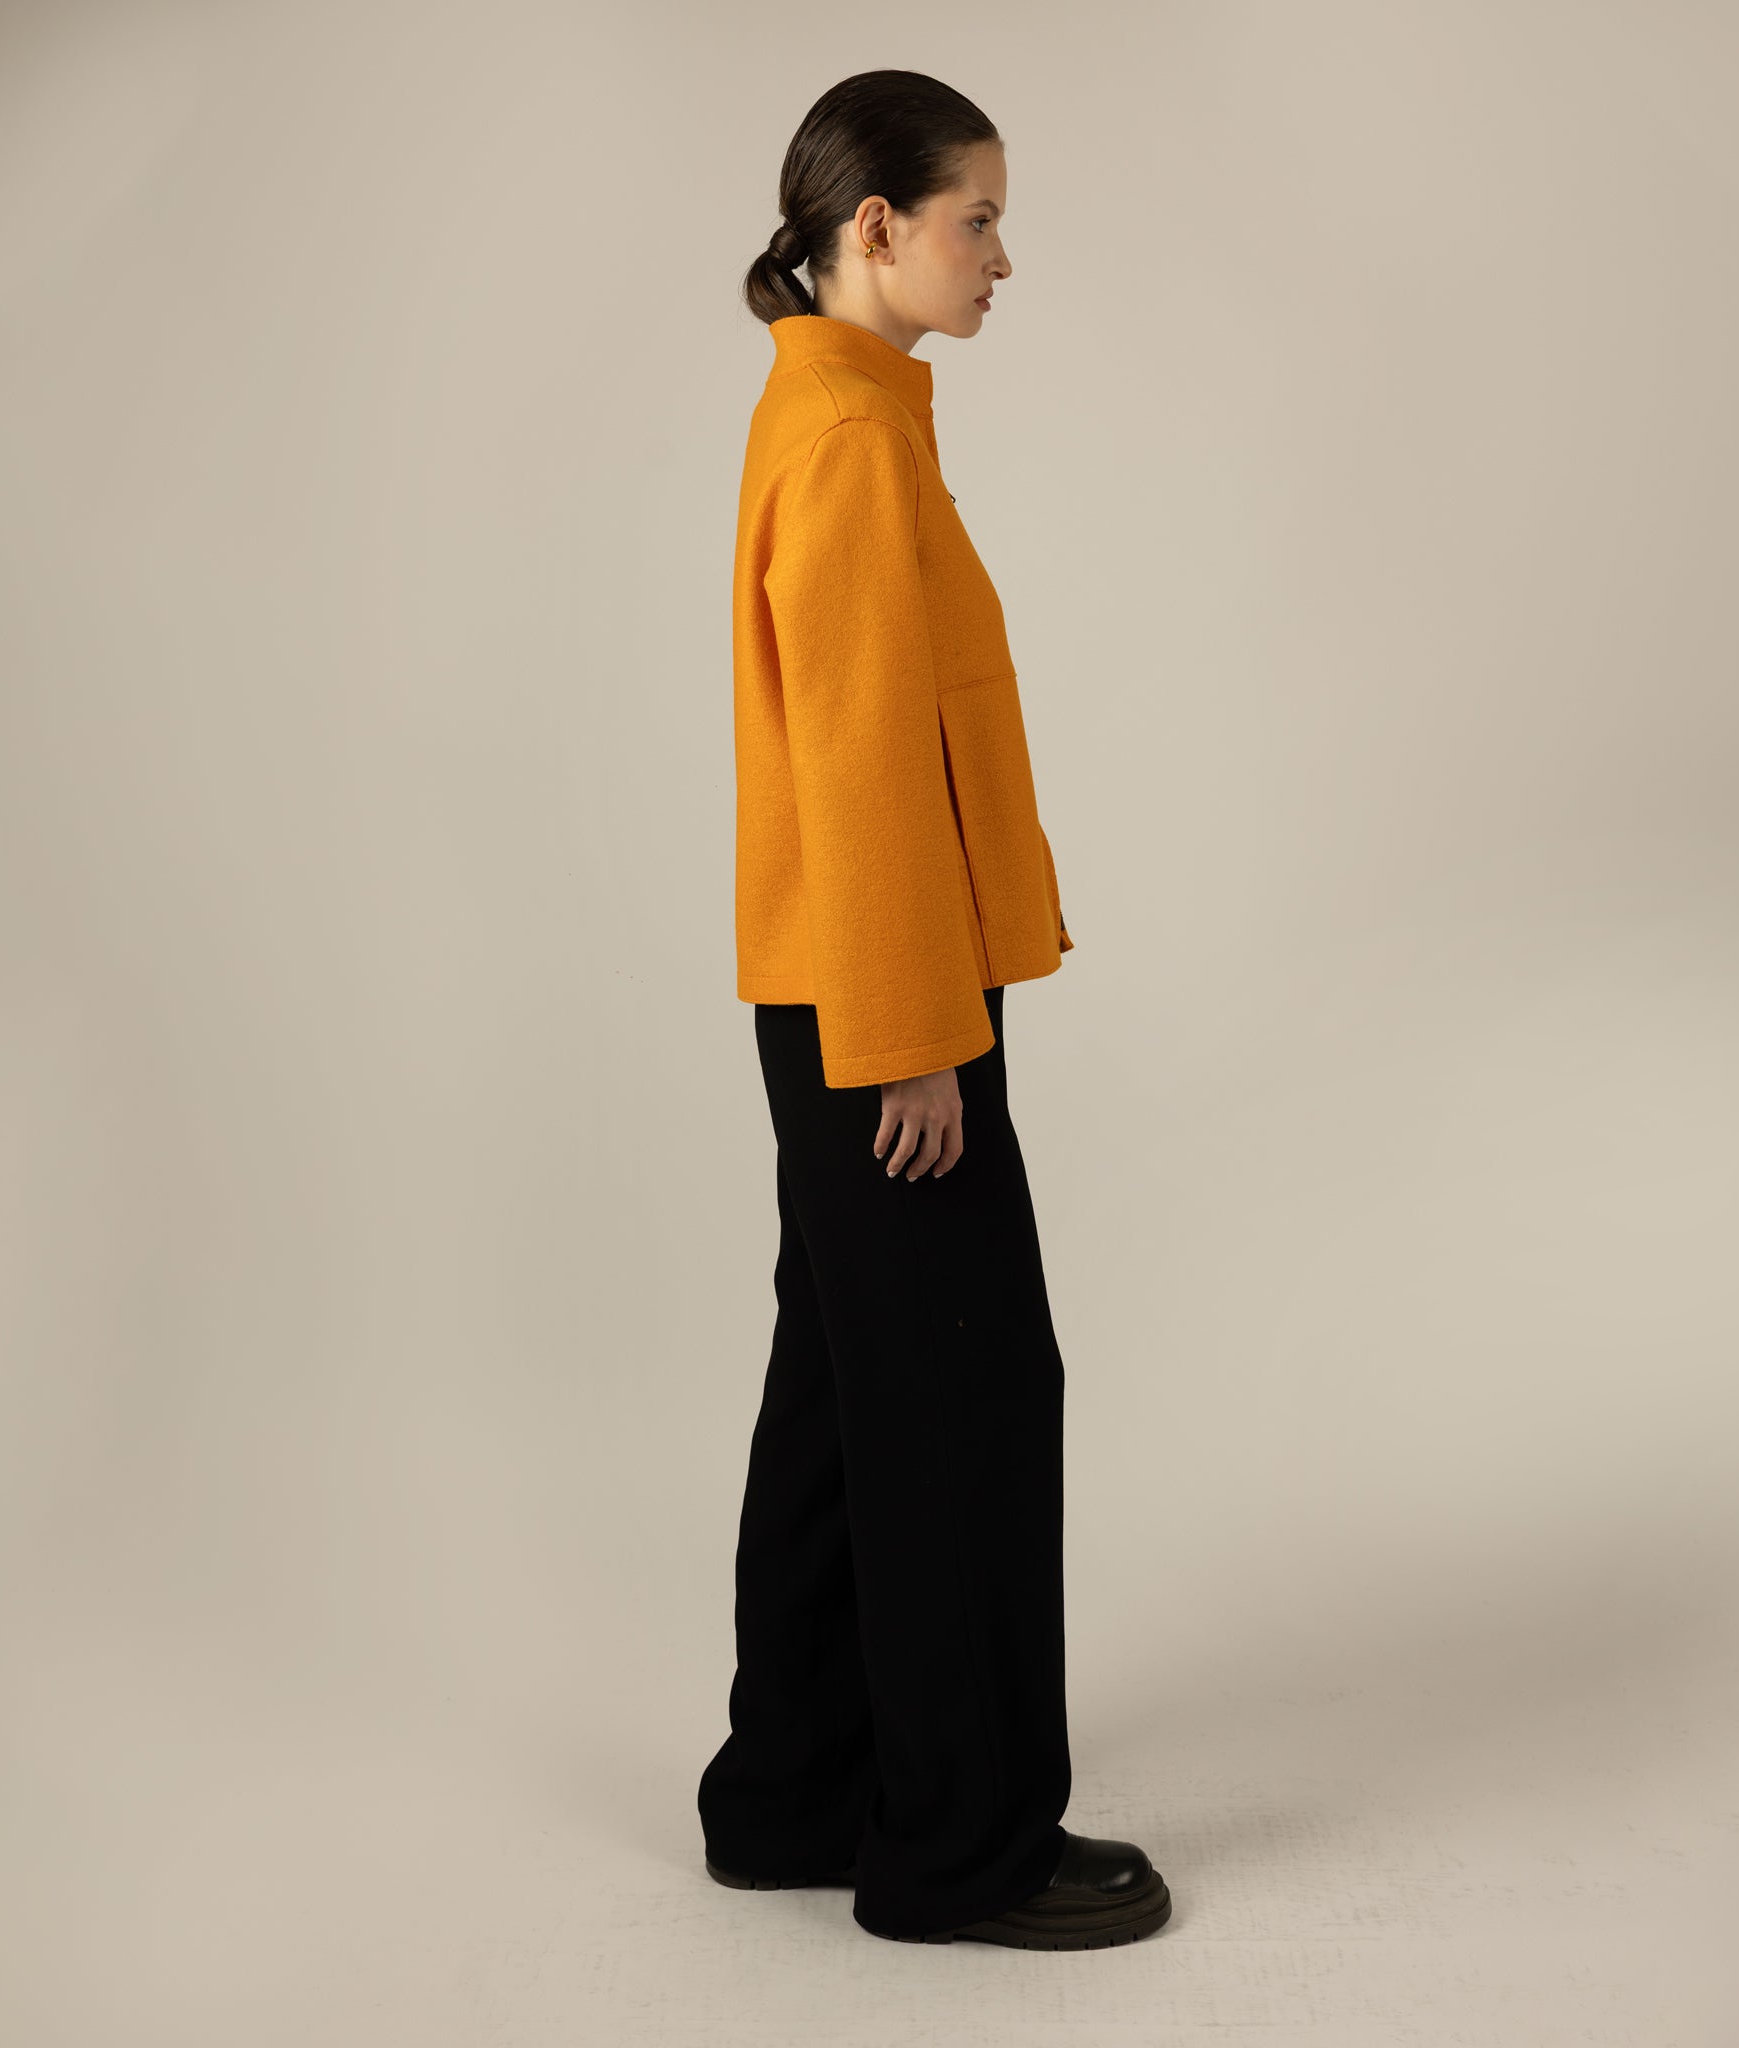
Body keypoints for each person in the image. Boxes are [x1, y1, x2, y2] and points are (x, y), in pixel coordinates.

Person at [697, 70, 1172, 1952]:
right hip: (877, 1003)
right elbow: (860, 759)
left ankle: (793, 1791)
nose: (1001, 257)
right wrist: (912, 1040)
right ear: (874, 225)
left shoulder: (850, 411)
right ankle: (960, 1849)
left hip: (849, 982)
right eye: (978, 219)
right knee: (965, 1393)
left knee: (846, 1386)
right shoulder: (845, 440)